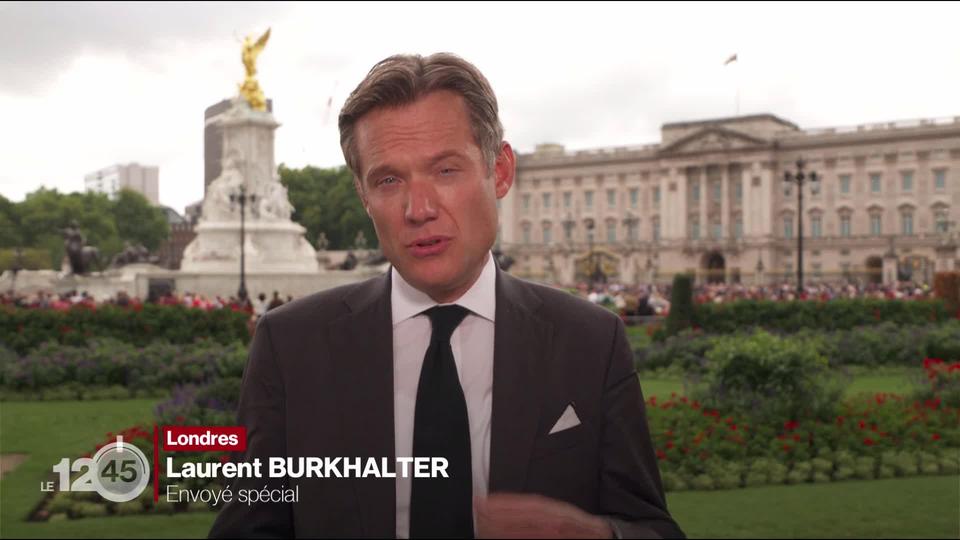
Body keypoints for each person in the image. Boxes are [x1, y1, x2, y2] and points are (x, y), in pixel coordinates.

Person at [209, 52, 683, 539]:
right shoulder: (290, 346)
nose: (419, 209)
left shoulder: (590, 341)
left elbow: (653, 527)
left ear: (499, 171)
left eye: (445, 171)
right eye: (389, 180)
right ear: (363, 196)